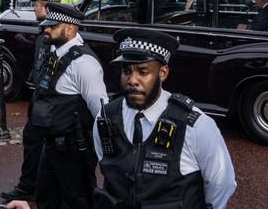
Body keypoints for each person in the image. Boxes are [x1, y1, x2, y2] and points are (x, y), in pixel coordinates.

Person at [93, 28, 236, 208]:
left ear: (163, 73)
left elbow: (222, 184)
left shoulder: (195, 125)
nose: (132, 80)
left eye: (143, 72)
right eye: (126, 71)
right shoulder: (106, 117)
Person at [29, 3, 108, 208]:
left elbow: (100, 111)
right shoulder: (57, 53)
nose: (46, 29)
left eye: (53, 26)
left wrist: (104, 155)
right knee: (46, 197)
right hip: (52, 145)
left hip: (74, 149)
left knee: (77, 201)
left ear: (70, 29)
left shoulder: (84, 64)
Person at [1, 0, 64, 202]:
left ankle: (31, 186)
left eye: (37, 4)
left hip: (49, 99)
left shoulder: (52, 34)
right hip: (41, 95)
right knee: (35, 141)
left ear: (46, 7)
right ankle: (33, 185)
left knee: (37, 141)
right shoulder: (44, 30)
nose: (35, 7)